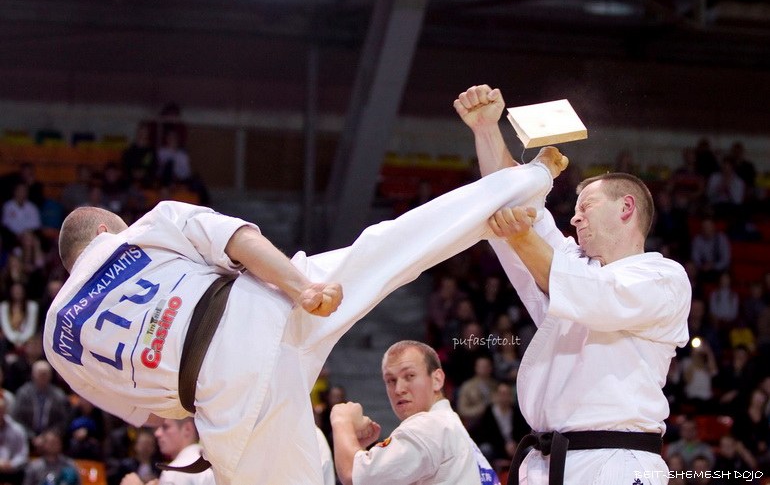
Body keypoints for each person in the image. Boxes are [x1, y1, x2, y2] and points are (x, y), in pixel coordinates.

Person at [44, 144, 569, 485]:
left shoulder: (57, 337)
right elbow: (237, 239)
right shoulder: (146, 227)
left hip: (222, 397)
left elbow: (155, 411)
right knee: (392, 246)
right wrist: (303, 288)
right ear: (107, 230)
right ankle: (526, 181)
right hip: (257, 306)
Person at [454, 84, 691, 485]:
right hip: (546, 461)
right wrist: (486, 130)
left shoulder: (663, 278)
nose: (575, 218)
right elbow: (513, 203)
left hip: (615, 463)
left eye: (586, 207)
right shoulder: (574, 266)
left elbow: (594, 295)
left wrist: (521, 238)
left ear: (626, 208)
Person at [330, 340, 500, 485]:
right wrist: (358, 449)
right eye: (390, 380)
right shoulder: (448, 425)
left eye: (409, 376)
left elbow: (352, 474)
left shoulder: (427, 426)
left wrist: (341, 419)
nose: (399, 389)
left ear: (437, 379)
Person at [120, 417, 215, 485]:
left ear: (187, 429)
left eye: (165, 427)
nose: (157, 433)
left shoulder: (175, 472)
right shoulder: (211, 462)